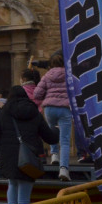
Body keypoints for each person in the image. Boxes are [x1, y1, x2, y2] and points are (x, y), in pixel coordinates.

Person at [0, 86, 59, 204]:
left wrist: (0, 145)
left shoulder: (2, 113)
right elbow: (50, 137)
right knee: (24, 198)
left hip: (8, 156)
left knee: (12, 184)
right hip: (29, 157)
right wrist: (57, 130)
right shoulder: (35, 113)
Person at [33, 53, 73, 181]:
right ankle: (64, 169)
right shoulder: (69, 75)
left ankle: (54, 155)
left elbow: (37, 94)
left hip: (49, 108)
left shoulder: (47, 76)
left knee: (52, 132)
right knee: (65, 140)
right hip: (65, 108)